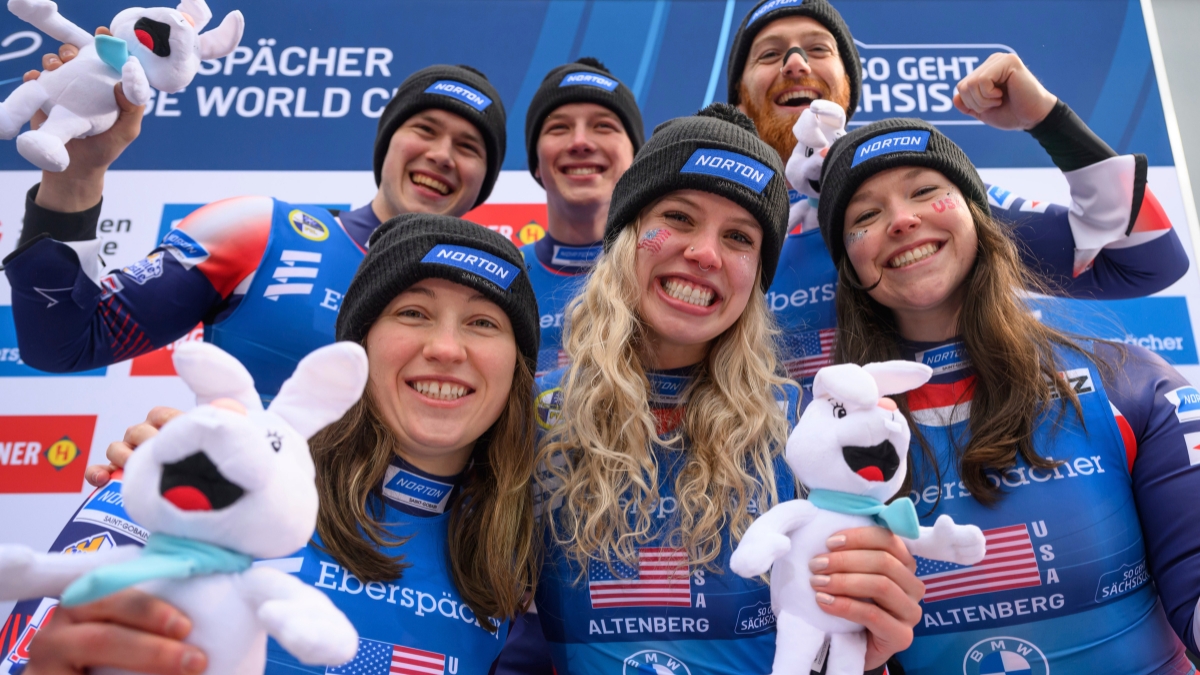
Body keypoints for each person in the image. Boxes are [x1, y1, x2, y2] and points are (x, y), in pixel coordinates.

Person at [15, 215, 543, 675]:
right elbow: (30, 654)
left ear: (515, 371)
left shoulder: (516, 552)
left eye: (482, 322)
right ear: (355, 348)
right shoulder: (197, 479)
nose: (446, 349)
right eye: (413, 313)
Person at [532, 103, 923, 675]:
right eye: (680, 217)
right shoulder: (536, 418)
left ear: (757, 277)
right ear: (626, 236)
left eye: (739, 236)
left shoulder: (804, 427)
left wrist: (871, 650)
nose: (705, 253)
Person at [819, 118, 1200, 672]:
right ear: (849, 265)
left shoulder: (1127, 379)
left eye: (926, 191)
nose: (901, 220)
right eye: (865, 216)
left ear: (980, 217)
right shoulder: (831, 439)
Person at [724, 0, 1188, 383]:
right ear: (739, 100)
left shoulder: (929, 202)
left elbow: (1146, 260)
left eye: (817, 48)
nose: (796, 63)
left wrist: (1047, 120)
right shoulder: (703, 222)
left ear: (848, 87)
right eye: (769, 55)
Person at [2, 59, 506, 399]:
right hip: (241, 544)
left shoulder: (494, 298)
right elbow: (63, 343)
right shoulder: (261, 230)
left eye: (469, 146)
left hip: (397, 554)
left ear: (484, 180)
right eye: (424, 129)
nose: (441, 155)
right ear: (387, 142)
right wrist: (78, 176)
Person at [520, 57, 642, 375]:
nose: (580, 142)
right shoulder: (505, 275)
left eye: (603, 126)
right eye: (559, 127)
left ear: (634, 156)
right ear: (536, 163)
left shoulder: (664, 274)